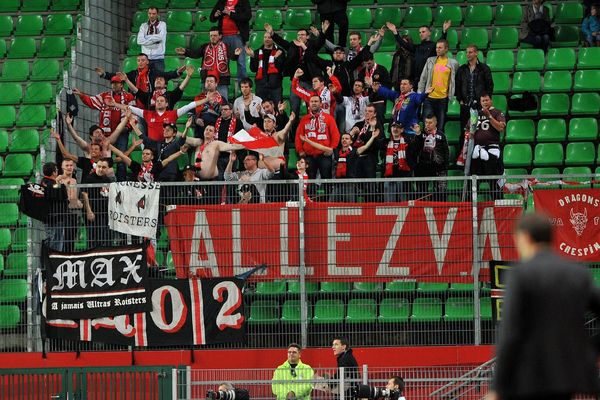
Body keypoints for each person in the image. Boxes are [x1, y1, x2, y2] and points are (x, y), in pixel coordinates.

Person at [490, 213, 600, 400]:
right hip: (567, 376)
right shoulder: (577, 272)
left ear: (525, 237)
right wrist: (589, 347)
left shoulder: (520, 274)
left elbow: (510, 332)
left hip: (528, 378)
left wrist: (498, 387)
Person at [175, 27, 242, 101]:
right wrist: (185, 52)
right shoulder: (204, 46)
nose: (212, 37)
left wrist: (236, 54)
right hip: (206, 79)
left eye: (215, 35)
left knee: (223, 102)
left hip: (222, 80)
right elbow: (195, 54)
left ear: (220, 36)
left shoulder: (226, 46)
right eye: (211, 36)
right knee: (205, 103)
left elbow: (233, 57)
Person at [95, 53, 183, 108]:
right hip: (136, 104)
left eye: (143, 60)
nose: (140, 62)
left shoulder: (154, 73)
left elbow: (167, 75)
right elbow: (119, 76)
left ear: (147, 62)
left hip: (149, 104)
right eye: (138, 60)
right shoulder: (133, 74)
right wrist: (104, 74)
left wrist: (177, 72)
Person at [295, 95, 341, 198]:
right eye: (312, 101)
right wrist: (300, 150)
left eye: (316, 101)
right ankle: (311, 201)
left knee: (326, 178)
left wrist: (331, 149)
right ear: (309, 104)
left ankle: (326, 202)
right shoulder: (304, 119)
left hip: (324, 154)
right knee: (309, 179)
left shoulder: (329, 118)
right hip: (309, 155)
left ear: (320, 104)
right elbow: (298, 136)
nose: (314, 103)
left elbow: (336, 135)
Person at [390, 21, 451, 87]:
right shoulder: (416, 48)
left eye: (423, 32)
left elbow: (441, 42)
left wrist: (444, 31)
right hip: (417, 81)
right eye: (420, 32)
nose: (421, 34)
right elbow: (404, 44)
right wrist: (395, 32)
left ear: (429, 33)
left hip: (429, 80)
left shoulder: (434, 46)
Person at [470, 94, 506, 200]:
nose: (485, 102)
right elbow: (469, 132)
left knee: (494, 181)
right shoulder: (476, 114)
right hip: (477, 151)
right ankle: (473, 206)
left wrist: (489, 116)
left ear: (491, 101)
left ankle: (498, 206)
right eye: (483, 101)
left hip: (492, 151)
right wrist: (471, 130)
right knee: (473, 180)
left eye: (487, 100)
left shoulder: (497, 112)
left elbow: (500, 128)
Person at [418, 39, 458, 132]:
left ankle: (439, 146)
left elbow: (454, 80)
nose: (437, 49)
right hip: (429, 98)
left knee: (440, 127)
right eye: (436, 47)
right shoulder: (430, 61)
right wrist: (420, 94)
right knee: (427, 126)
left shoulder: (453, 63)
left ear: (446, 49)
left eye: (440, 47)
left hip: (443, 99)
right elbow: (423, 78)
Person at [455, 45, 494, 138]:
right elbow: (457, 85)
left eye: (470, 52)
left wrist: (486, 101)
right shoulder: (462, 69)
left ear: (476, 53)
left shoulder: (484, 68)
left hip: (480, 105)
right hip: (466, 104)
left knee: (480, 131)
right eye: (467, 52)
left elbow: (490, 85)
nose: (468, 54)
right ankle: (464, 152)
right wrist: (459, 99)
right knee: (464, 131)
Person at [210, 0, 251, 84]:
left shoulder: (244, 1)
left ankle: (243, 87)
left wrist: (230, 14)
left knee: (241, 63)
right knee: (222, 62)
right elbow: (212, 18)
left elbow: (247, 16)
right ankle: (222, 84)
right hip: (223, 37)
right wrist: (215, 15)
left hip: (238, 36)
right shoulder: (221, 1)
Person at [120, 66, 194, 110]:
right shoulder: (149, 96)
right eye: (156, 80)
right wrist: (126, 80)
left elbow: (181, 87)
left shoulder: (170, 95)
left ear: (165, 85)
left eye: (161, 80)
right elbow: (135, 90)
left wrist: (188, 76)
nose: (158, 80)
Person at [412, 115, 449, 201]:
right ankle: (421, 211)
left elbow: (446, 151)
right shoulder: (420, 134)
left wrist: (445, 166)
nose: (427, 124)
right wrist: (418, 135)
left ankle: (440, 210)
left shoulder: (441, 135)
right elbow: (415, 149)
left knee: (440, 192)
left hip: (438, 167)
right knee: (421, 192)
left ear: (435, 123)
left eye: (430, 122)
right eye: (426, 122)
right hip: (423, 167)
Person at [80, 157, 113, 248]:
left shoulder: (107, 180)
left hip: (103, 212)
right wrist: (89, 211)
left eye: (103, 167)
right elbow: (84, 194)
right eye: (99, 166)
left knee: (102, 236)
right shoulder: (89, 178)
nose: (100, 169)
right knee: (92, 236)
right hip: (92, 211)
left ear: (107, 169)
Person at [383, 122, 417, 202]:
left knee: (405, 203)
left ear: (402, 130)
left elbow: (417, 148)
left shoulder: (408, 142)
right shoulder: (386, 142)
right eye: (393, 127)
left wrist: (418, 134)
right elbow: (376, 144)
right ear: (390, 129)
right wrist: (373, 128)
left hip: (404, 176)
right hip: (390, 176)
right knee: (389, 204)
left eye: (398, 127)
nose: (395, 129)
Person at [247, 31, 285, 104]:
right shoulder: (257, 52)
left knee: (278, 108)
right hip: (261, 86)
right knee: (261, 110)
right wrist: (253, 57)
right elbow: (253, 69)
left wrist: (276, 58)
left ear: (273, 39)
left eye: (269, 37)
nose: (267, 39)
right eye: (265, 37)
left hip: (275, 86)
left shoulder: (279, 51)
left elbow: (281, 68)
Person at [56, 158, 82, 253]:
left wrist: (77, 202)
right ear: (62, 167)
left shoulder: (74, 181)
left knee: (71, 240)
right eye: (67, 165)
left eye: (71, 165)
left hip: (73, 214)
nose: (69, 167)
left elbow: (73, 199)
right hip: (62, 214)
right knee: (63, 240)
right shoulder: (58, 180)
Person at [40, 162, 68, 252]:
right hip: (55, 218)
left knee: (53, 239)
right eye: (56, 170)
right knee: (56, 241)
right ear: (53, 172)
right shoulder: (48, 183)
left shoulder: (44, 182)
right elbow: (58, 192)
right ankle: (54, 260)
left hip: (51, 217)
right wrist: (61, 184)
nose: (57, 172)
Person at [137, 7, 166, 72]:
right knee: (145, 81)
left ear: (157, 14)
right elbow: (139, 41)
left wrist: (146, 38)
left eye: (153, 14)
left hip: (158, 58)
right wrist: (154, 41)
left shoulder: (162, 24)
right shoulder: (143, 26)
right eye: (150, 13)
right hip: (145, 59)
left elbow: (160, 37)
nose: (151, 15)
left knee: (159, 80)